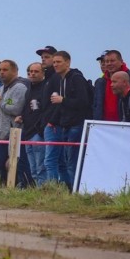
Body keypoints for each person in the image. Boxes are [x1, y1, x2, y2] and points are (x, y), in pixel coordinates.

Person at [43, 50, 91, 190]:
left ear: (68, 62)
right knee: (64, 161)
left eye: (59, 62)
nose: (56, 65)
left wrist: (62, 100)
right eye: (54, 62)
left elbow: (83, 102)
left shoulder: (76, 78)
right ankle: (69, 189)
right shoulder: (61, 79)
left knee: (72, 161)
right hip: (66, 124)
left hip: (76, 124)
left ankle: (76, 190)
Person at [0, 60, 32, 186]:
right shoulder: (1, 89)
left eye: (5, 70)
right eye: (0, 70)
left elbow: (16, 108)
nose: (1, 72)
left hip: (14, 134)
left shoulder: (20, 87)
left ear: (15, 71)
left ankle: (23, 188)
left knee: (16, 166)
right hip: (0, 134)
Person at [17, 62, 49, 186]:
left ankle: (44, 189)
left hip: (38, 131)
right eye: (30, 71)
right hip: (28, 131)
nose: (32, 74)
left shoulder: (46, 88)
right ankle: (38, 190)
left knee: (41, 166)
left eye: (36, 71)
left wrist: (40, 128)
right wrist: (22, 117)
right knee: (33, 168)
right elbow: (28, 107)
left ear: (43, 73)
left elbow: (45, 110)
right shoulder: (29, 88)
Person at [93, 49, 130, 122]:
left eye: (112, 61)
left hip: (126, 126)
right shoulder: (100, 81)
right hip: (103, 127)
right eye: (106, 61)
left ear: (121, 62)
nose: (109, 63)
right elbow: (96, 105)